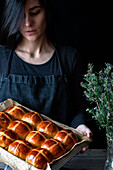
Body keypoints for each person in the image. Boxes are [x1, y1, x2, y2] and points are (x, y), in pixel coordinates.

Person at [0, 0, 92, 169]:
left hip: (55, 160)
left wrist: (80, 126)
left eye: (35, 12)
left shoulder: (69, 58)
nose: (28, 23)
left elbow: (78, 107)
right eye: (21, 16)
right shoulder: (2, 58)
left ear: (46, 12)